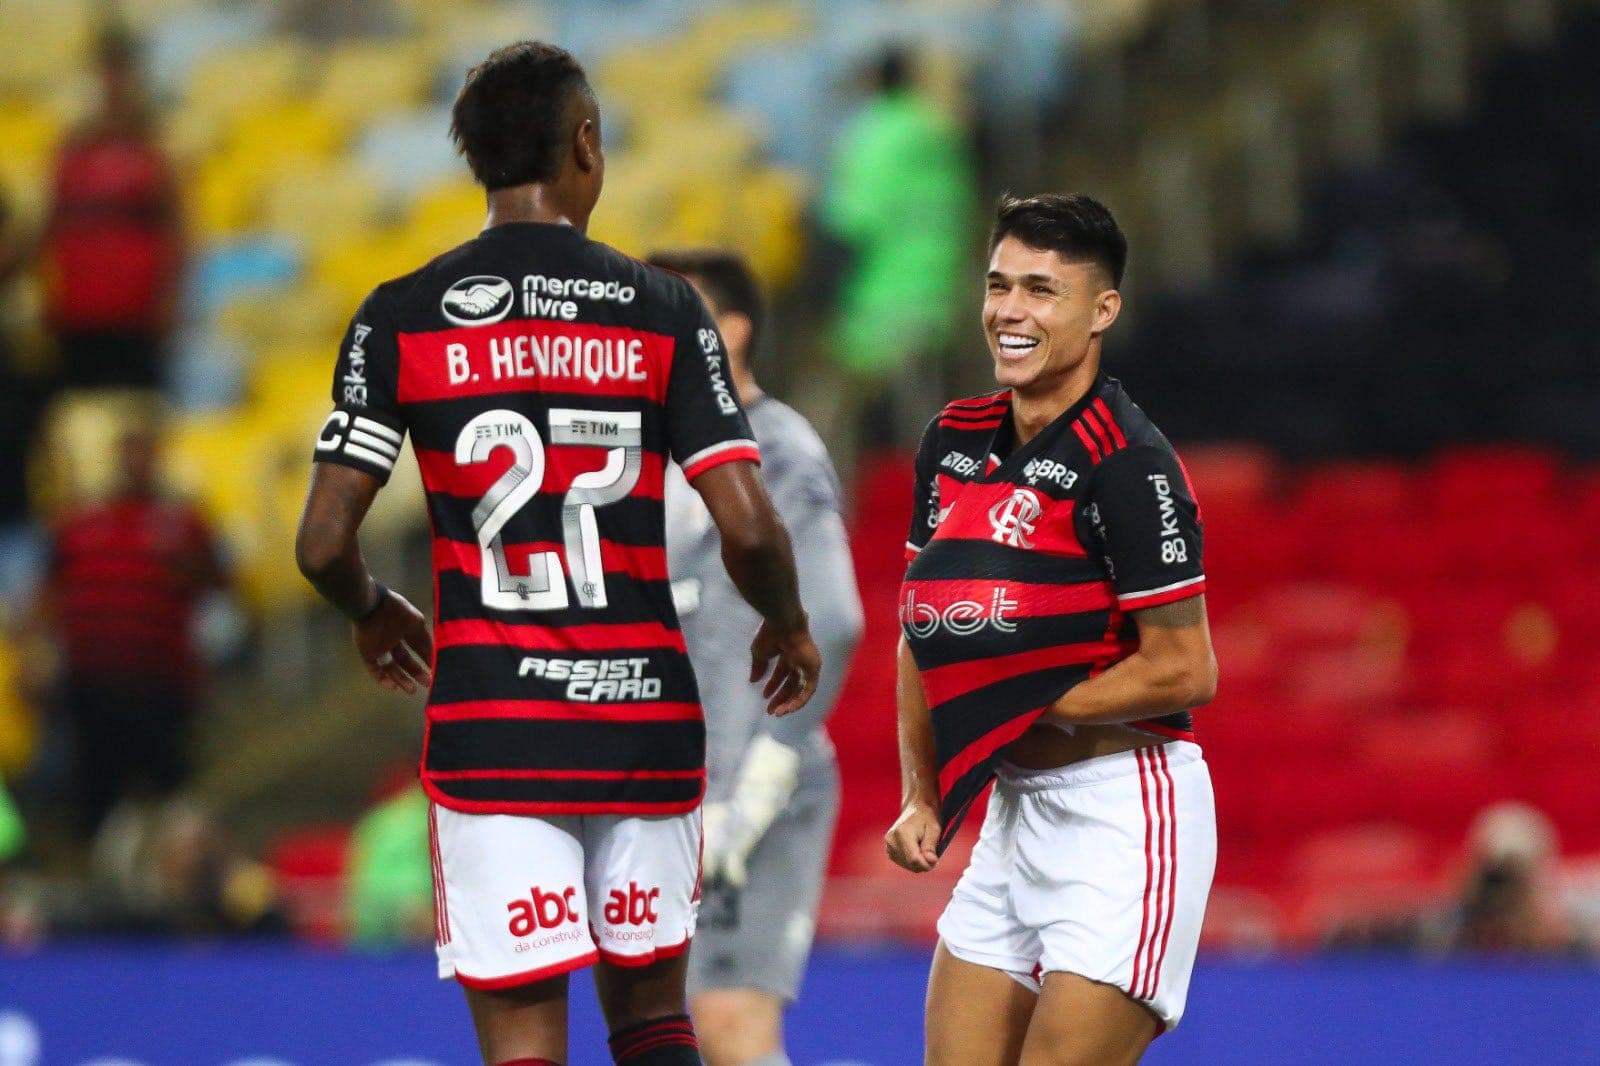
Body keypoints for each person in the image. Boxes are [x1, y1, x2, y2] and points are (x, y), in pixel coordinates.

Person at [295, 42, 820, 1066]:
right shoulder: (666, 311)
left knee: (527, 1042)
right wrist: (787, 624)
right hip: (644, 721)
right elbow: (750, 525)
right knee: (655, 1021)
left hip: (495, 729)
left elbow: (321, 541)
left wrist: (371, 607)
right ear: (585, 144)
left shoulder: (398, 316)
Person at [885, 194, 1219, 1064]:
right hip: (1012, 817)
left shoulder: (1128, 461)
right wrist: (924, 791)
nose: (1009, 311)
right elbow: (925, 638)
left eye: (1041, 290)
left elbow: (1186, 670)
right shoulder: (951, 440)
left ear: (1102, 310)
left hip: (1123, 819)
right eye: (999, 286)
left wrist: (1036, 700)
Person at [649, 249, 863, 1066]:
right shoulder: (647, 453)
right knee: (672, 1029)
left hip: (746, 793)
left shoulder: (775, 448)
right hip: (674, 788)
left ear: (730, 331)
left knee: (729, 1021)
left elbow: (835, 618)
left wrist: (762, 777)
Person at [35, 419, 229, 835]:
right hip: (91, 683)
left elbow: (220, 584)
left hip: (160, 681)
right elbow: (47, 593)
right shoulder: (80, 521)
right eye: (129, 452)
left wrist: (191, 568)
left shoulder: (184, 520)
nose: (137, 463)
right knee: (95, 795)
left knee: (169, 793)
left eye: (146, 452)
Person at [821, 45, 976, 459]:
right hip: (939, 282)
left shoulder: (868, 136)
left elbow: (852, 223)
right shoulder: (940, 129)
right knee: (934, 403)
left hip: (882, 296)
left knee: (845, 404)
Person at [39, 26, 182, 392]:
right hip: (77, 315)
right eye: (108, 72)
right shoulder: (72, 151)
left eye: (122, 72)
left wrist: (169, 302)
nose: (114, 84)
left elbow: (177, 231)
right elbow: (51, 228)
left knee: (132, 416)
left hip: (136, 320)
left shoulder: (153, 151)